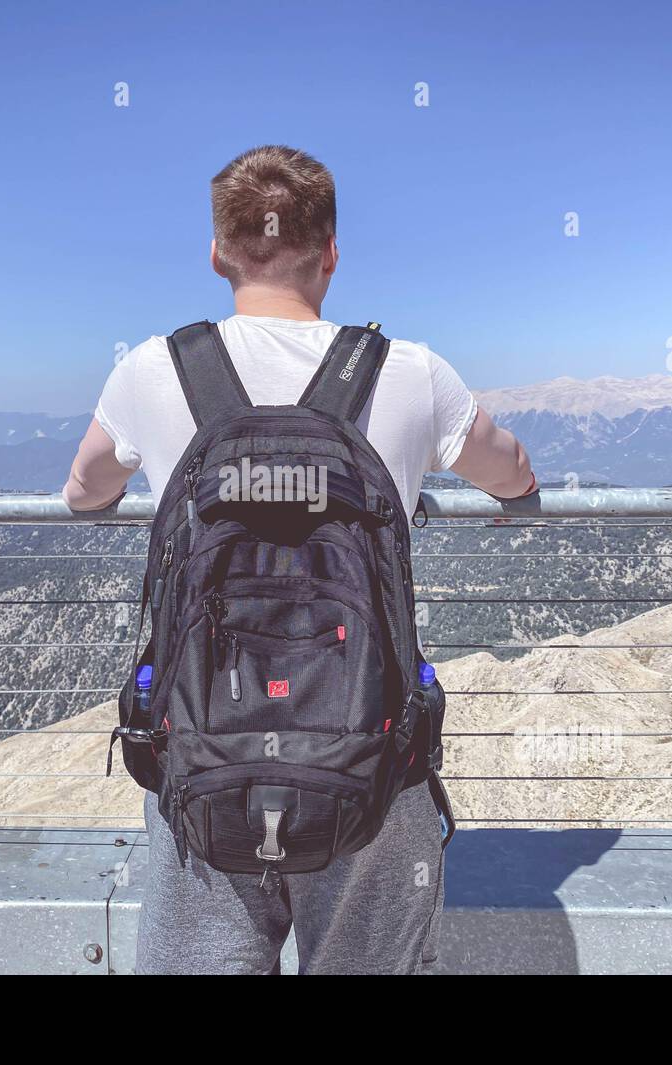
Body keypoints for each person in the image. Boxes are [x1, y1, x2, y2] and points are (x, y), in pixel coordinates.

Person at [63, 145, 535, 974]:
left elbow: (83, 490)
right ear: (332, 254)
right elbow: (511, 473)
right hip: (372, 763)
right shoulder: (408, 372)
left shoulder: (153, 369)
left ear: (217, 253)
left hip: (202, 756)